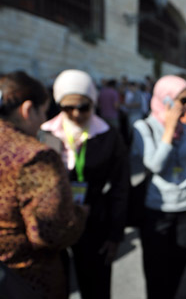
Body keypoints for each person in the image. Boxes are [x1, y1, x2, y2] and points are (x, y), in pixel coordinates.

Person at [41, 69, 129, 299]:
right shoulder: (45, 134)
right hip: (54, 224)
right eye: (68, 107)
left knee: (96, 287)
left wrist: (115, 234)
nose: (77, 113)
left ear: (93, 102)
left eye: (83, 106)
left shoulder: (109, 135)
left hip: (95, 222)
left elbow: (121, 186)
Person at [0, 71, 87, 299]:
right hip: (26, 278)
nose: (43, 122)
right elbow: (49, 232)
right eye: (45, 112)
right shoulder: (35, 156)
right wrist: (79, 215)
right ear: (28, 109)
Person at [130, 75, 186, 299]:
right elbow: (154, 163)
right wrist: (169, 130)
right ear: (166, 100)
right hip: (157, 209)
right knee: (156, 270)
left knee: (178, 265)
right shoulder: (144, 127)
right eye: (182, 100)